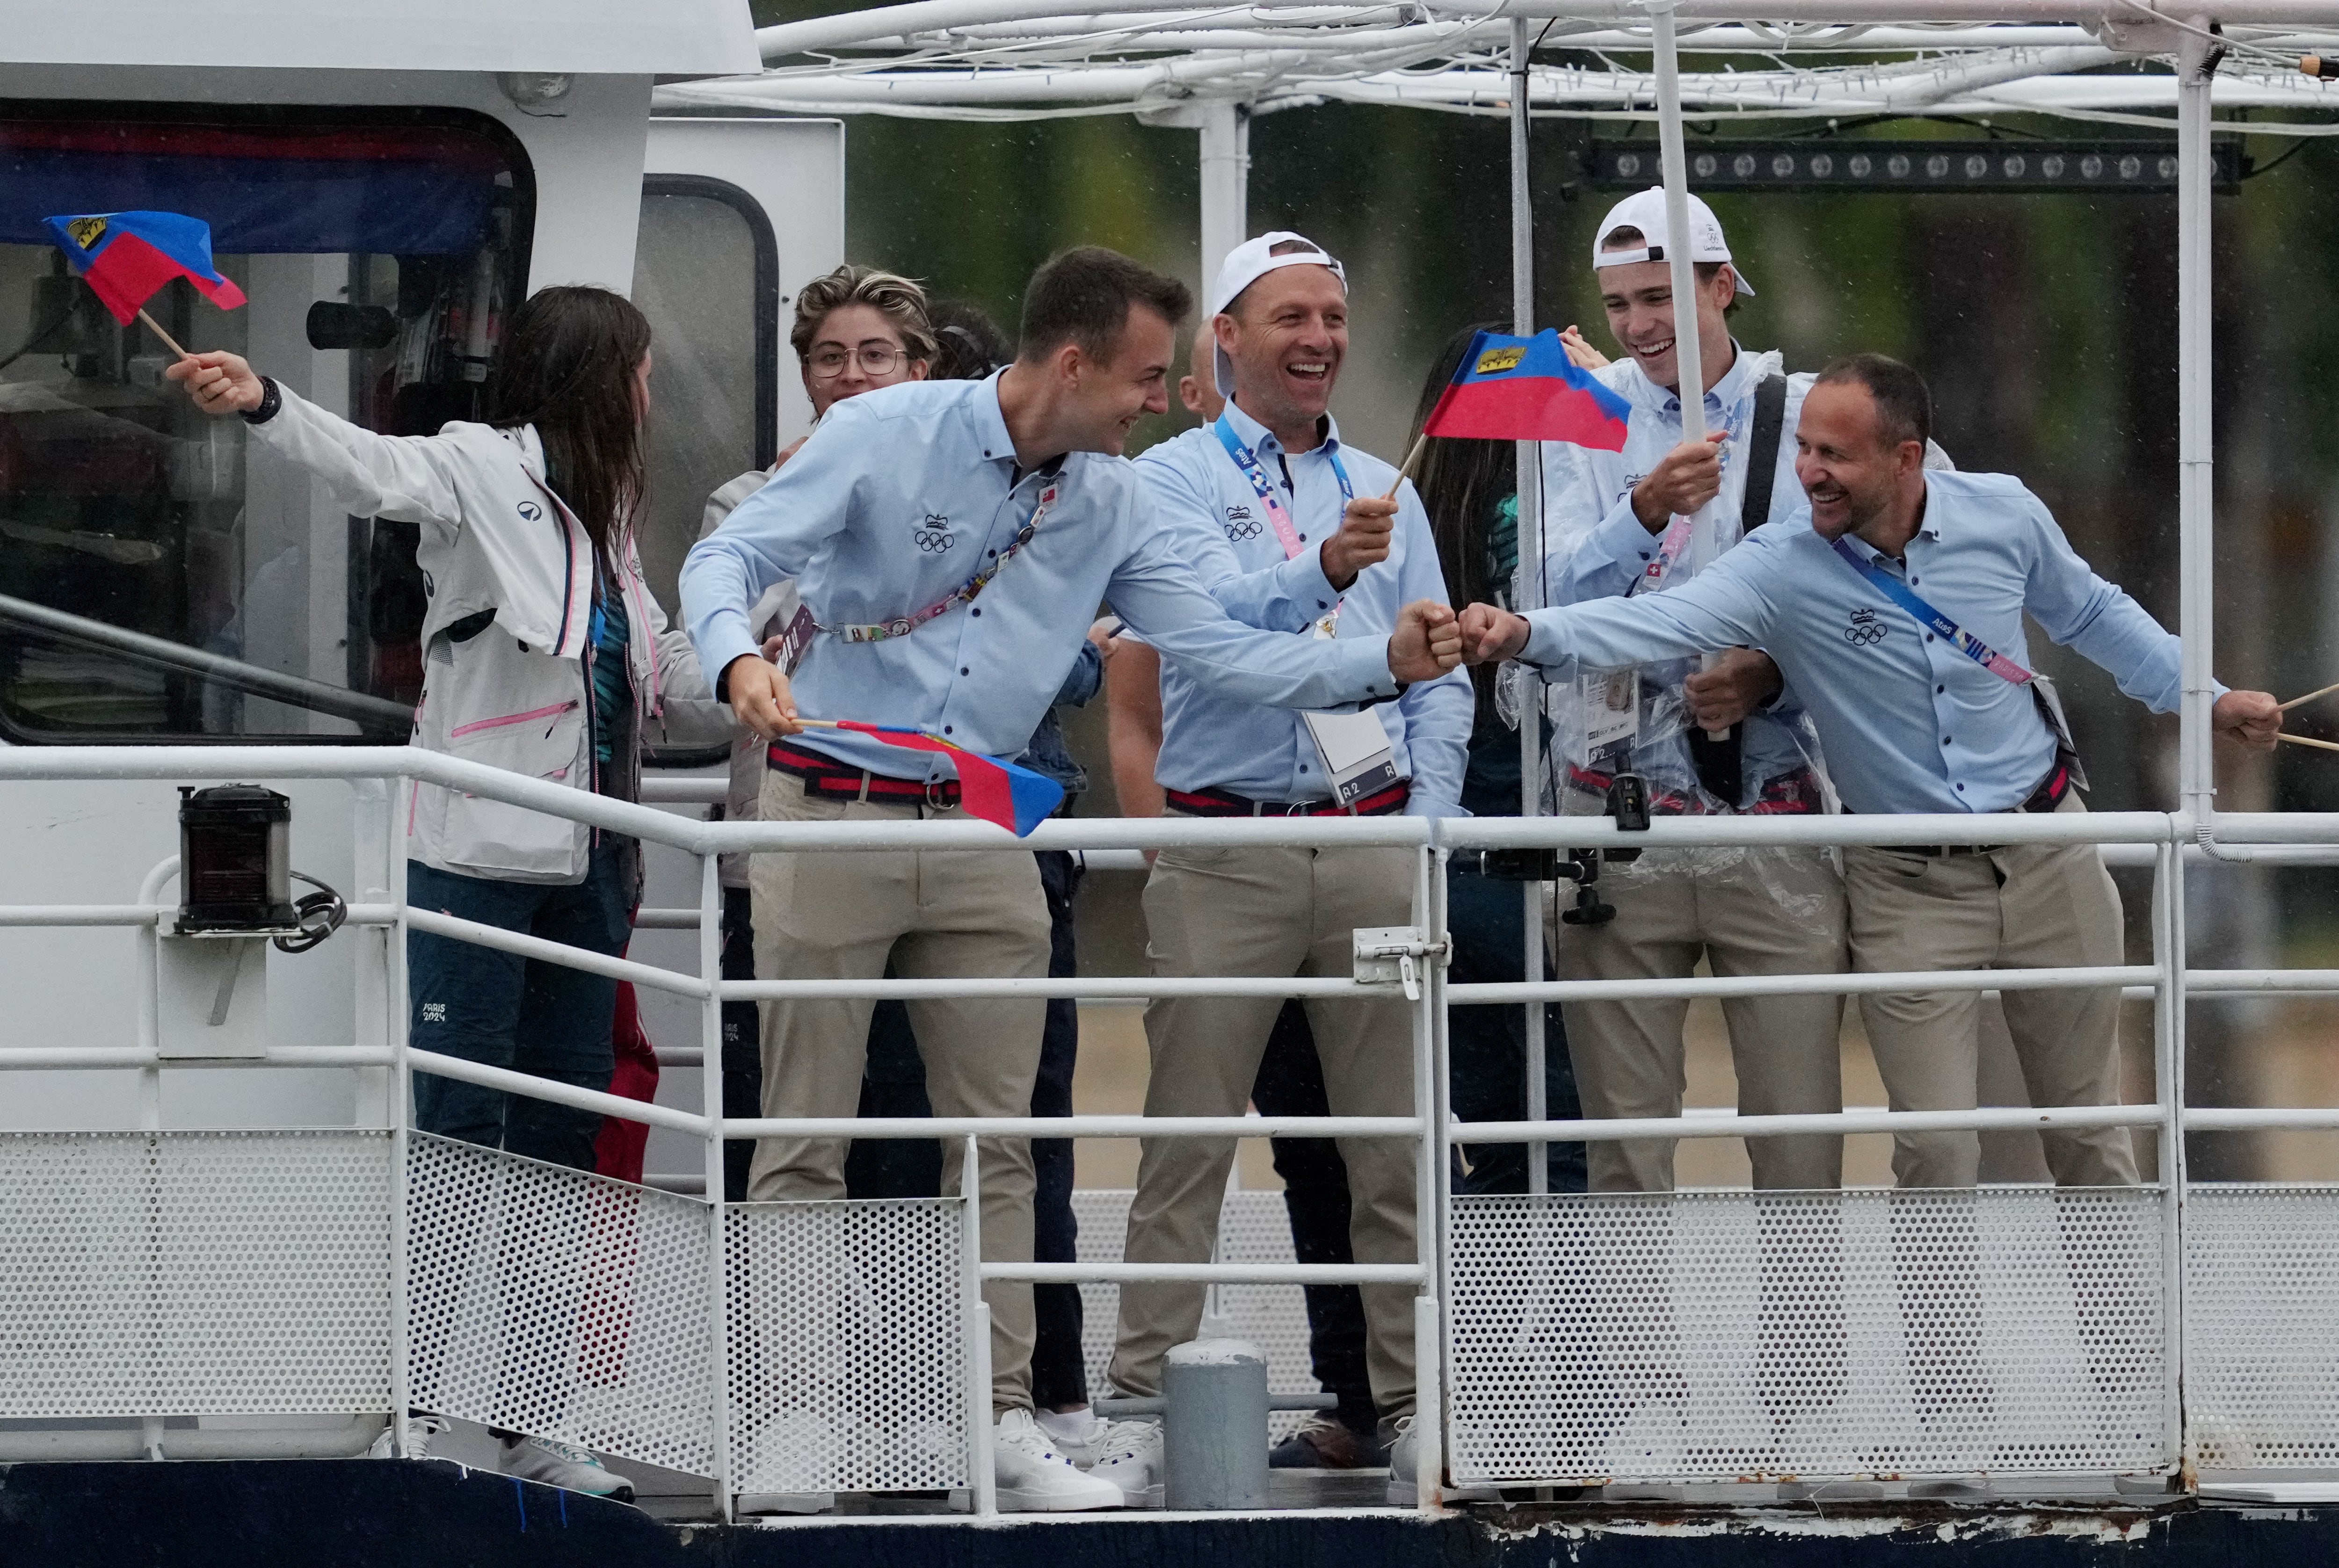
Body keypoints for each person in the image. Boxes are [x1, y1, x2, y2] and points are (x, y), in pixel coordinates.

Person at [680, 245, 1462, 1513]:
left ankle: (994, 1422)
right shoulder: (883, 433)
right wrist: (731, 663)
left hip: (990, 825)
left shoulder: (1112, 498)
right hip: (830, 811)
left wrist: (1388, 663)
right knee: (805, 1136)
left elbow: (1223, 644)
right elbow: (724, 565)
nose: (1159, 403)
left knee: (1001, 1144)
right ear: (1073, 363)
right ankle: (797, 1423)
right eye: (1147, 379)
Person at [1461, 352, 2284, 1189]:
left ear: (1907, 457)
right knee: (1936, 1152)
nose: (1810, 474)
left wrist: (2206, 698)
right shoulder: (1781, 563)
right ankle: (1945, 1329)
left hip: (2052, 855)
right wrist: (1525, 635)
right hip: (1906, 887)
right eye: (1805, 450)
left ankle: (2125, 1330)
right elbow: (1654, 624)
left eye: (1835, 457)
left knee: (2090, 1137)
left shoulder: (2004, 513)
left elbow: (2093, 613)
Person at [166, 283, 723, 1503]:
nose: (648, 392)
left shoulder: (610, 515)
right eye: (636, 368)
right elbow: (371, 470)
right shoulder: (479, 468)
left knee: (561, 1138)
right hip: (474, 851)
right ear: (593, 373)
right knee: (459, 1134)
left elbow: (661, 663)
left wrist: (764, 678)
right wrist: (264, 402)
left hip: (593, 860)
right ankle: (415, 1407)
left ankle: (527, 1412)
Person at [1087, 232, 1473, 1511]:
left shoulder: (1387, 487)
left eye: (1333, 316)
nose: (1318, 338)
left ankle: (1417, 1403)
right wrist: (1322, 568)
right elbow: (1207, 637)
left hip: (1369, 835)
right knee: (1187, 1141)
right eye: (1289, 317)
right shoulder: (1167, 480)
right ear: (1228, 343)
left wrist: (1427, 817)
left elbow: (1439, 670)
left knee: (1389, 1148)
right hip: (1229, 837)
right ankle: (1143, 1404)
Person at [1538, 188, 1860, 1196]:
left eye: (1659, 296)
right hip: (1614, 813)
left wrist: (1773, 668)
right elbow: (1545, 599)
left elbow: (1884, 588)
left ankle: (1800, 1362)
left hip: (1777, 810)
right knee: (1626, 1146)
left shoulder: (1806, 412)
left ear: (1723, 287)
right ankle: (1637, 1362)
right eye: (1619, 302)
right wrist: (1640, 509)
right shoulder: (1581, 417)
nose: (1637, 324)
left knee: (1799, 1135)